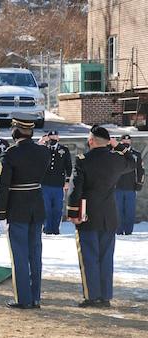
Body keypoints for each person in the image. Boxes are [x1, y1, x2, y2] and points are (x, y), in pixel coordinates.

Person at [67, 126, 136, 308]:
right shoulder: (116, 160)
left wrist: (73, 213)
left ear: (91, 141)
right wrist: (118, 146)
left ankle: (92, 296)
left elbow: (76, 190)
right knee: (106, 257)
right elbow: (132, 162)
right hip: (109, 214)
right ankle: (105, 296)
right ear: (108, 142)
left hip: (87, 214)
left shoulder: (83, 160)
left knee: (89, 255)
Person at [0, 119, 50, 309]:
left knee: (19, 254)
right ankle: (35, 297)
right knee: (35, 253)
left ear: (16, 131)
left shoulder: (10, 154)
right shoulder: (43, 151)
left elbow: (2, 187)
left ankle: (23, 299)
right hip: (36, 205)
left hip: (17, 208)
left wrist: (1, 214)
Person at [38, 130, 72, 235]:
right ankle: (47, 228)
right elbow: (34, 157)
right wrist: (40, 142)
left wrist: (67, 181)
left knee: (57, 208)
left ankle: (56, 228)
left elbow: (68, 166)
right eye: (50, 136)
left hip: (58, 183)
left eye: (55, 136)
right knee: (46, 207)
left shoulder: (64, 149)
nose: (53, 138)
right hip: (45, 183)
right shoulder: (44, 149)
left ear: (58, 137)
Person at [114, 135, 144, 235]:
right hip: (117, 186)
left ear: (131, 141)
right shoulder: (115, 153)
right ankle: (119, 230)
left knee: (130, 210)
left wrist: (139, 183)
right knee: (118, 209)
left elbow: (140, 170)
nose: (126, 141)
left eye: (128, 140)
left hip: (131, 186)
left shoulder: (136, 154)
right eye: (124, 140)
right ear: (121, 141)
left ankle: (128, 231)